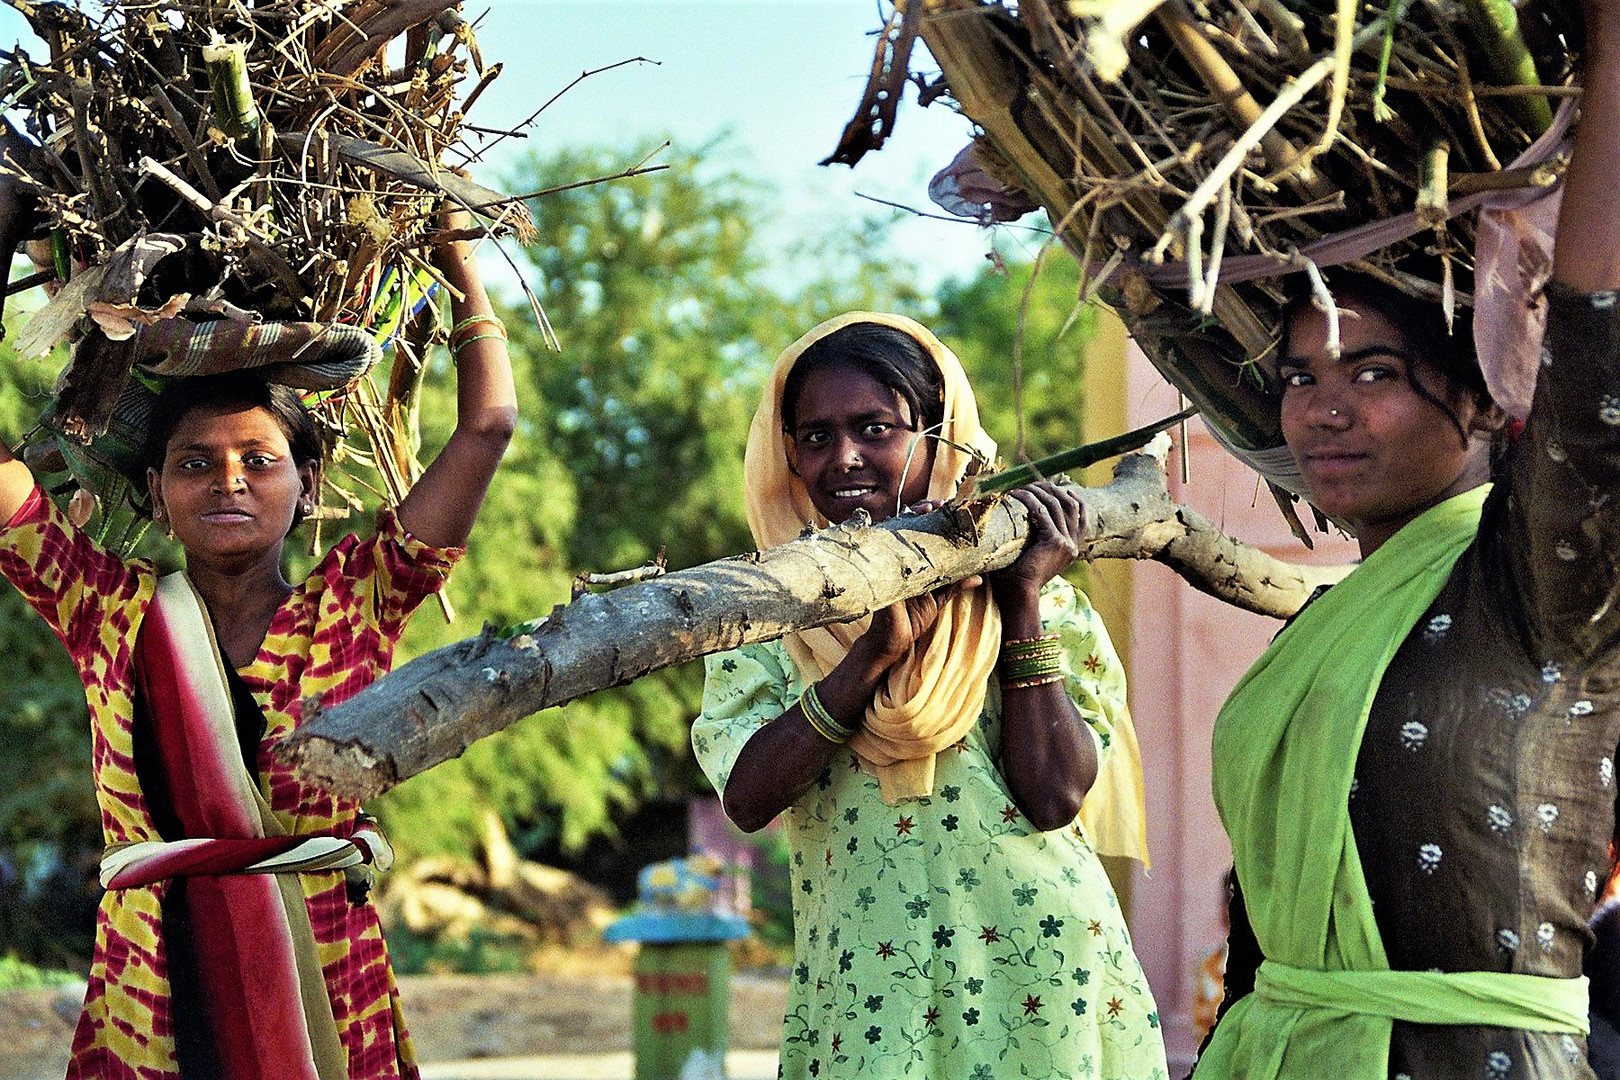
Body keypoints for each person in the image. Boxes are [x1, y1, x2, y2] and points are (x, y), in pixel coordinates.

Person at [1194, 4, 1620, 1076]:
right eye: (1302, 379)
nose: (1323, 410)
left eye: (1374, 373)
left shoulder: (1535, 574)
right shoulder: (1331, 622)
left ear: (1483, 398)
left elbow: (1594, 328)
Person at [0, 211, 516, 1080]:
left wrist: (453, 251)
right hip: (150, 994)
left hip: (327, 982)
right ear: (156, 495)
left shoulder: (361, 596)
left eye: (259, 460)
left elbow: (488, 428)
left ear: (307, 486)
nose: (228, 481)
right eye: (194, 463)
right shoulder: (106, 611)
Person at [691, 312, 1167, 1080]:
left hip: (1043, 984)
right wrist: (868, 659)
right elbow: (749, 798)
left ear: (942, 436)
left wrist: (1020, 603)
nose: (844, 458)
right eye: (815, 437)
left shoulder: (1045, 605)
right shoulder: (768, 617)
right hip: (867, 997)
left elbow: (1053, 796)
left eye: (876, 428)